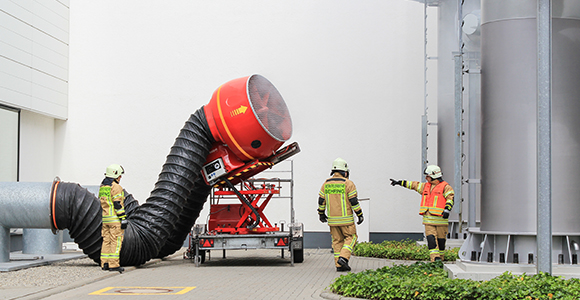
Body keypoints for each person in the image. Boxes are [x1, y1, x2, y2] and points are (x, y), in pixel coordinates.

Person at [390, 165, 454, 262]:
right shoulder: (425, 186)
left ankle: (441, 258)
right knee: (431, 240)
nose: (426, 178)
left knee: (441, 241)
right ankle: (435, 258)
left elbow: (450, 198)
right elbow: (413, 185)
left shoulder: (446, 187)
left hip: (441, 221)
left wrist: (447, 209)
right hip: (428, 221)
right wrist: (400, 182)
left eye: (427, 176)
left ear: (434, 175)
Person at [317, 158, 364, 272]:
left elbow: (321, 201)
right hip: (346, 220)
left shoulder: (326, 184)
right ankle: (343, 258)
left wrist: (321, 214)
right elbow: (354, 202)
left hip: (332, 221)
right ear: (345, 172)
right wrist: (360, 214)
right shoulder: (348, 183)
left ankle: (339, 266)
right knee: (351, 238)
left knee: (337, 241)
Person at [99, 164, 128, 273]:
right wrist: (123, 218)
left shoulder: (103, 187)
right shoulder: (116, 187)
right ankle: (114, 264)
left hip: (105, 219)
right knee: (116, 242)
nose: (120, 178)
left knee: (106, 241)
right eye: (119, 176)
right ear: (115, 175)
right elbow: (117, 204)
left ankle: (105, 263)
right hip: (115, 220)